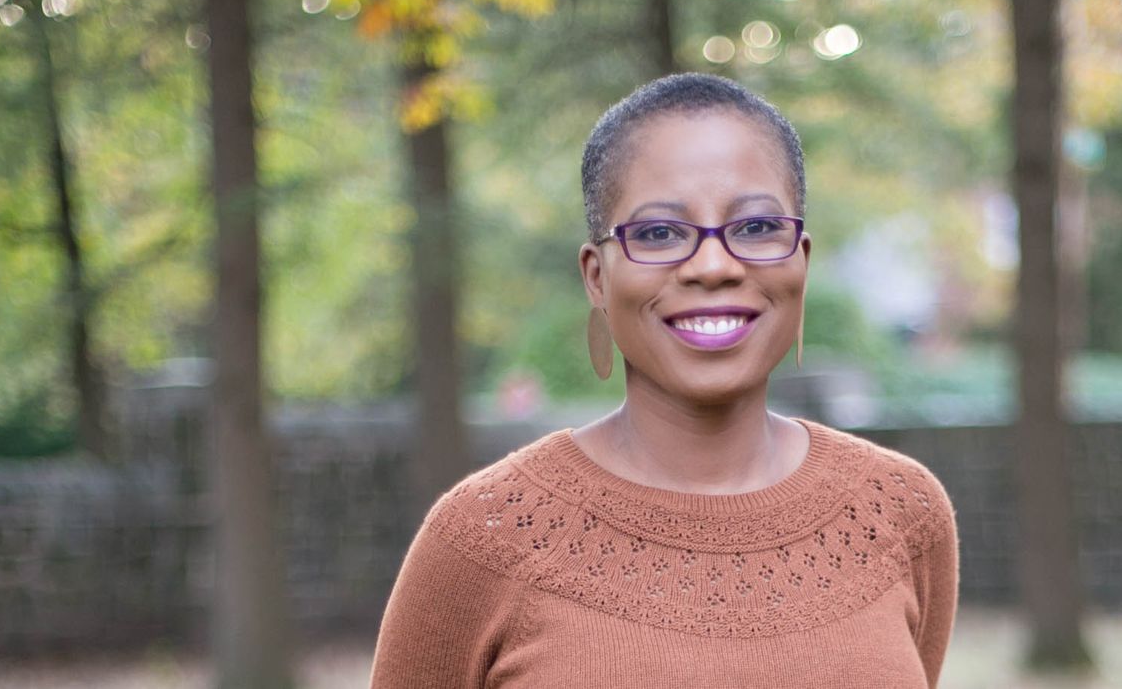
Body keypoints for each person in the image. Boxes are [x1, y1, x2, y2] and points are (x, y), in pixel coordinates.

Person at [369, 73, 958, 688]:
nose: (713, 265)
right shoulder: (481, 541)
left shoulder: (898, 512)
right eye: (658, 233)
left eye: (756, 228)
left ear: (801, 260)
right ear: (597, 276)